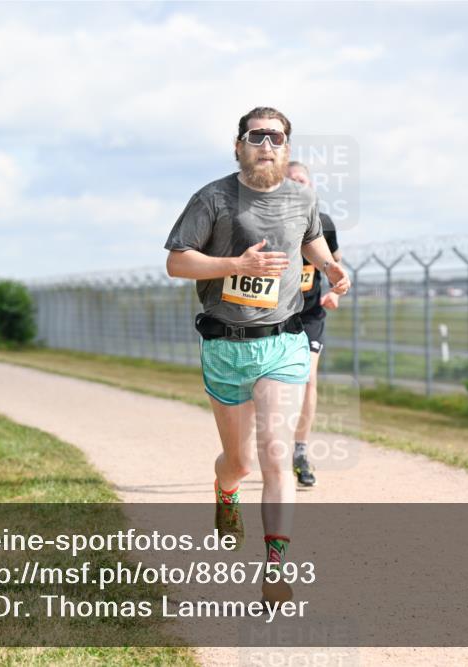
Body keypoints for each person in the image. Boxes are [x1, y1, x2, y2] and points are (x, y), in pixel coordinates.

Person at [164, 107, 350, 603]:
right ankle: (225, 490)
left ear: (287, 147)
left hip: (282, 341)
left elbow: (310, 239)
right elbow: (177, 262)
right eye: (257, 136)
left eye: (276, 137)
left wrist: (330, 267)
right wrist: (236, 264)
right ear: (239, 145)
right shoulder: (212, 198)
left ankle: (276, 566)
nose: (267, 144)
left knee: (275, 454)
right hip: (225, 344)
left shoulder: (303, 197)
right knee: (240, 462)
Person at [285, 161, 342, 487]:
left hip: (308, 315)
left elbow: (336, 265)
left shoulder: (324, 224)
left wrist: (335, 290)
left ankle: (300, 451)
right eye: (290, 181)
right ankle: (268, 443)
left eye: (301, 181)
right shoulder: (267, 222)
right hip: (273, 315)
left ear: (312, 187)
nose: (297, 186)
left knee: (307, 379)